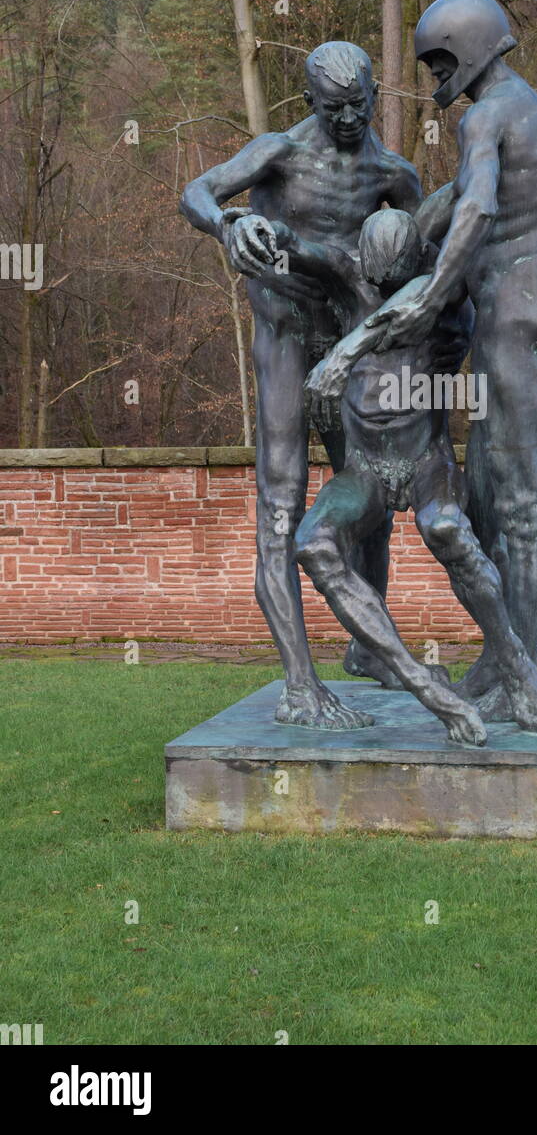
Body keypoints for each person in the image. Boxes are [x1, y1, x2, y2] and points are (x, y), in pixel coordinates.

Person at [179, 42, 422, 728]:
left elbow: (424, 251)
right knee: (281, 502)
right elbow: (195, 191)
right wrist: (230, 222)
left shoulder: (391, 173)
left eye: (362, 104)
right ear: (311, 100)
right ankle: (297, 684)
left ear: (376, 93)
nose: (350, 119)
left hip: (351, 347)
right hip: (285, 337)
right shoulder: (277, 151)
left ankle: (369, 649)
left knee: (371, 494)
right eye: (336, 107)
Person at [371, 0, 537, 715]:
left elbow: (479, 208)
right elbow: (452, 202)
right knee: (491, 499)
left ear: (472, 47)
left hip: (513, 321)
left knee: (518, 507)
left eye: (440, 64)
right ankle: (500, 669)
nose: (436, 84)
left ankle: (518, 681)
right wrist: (385, 236)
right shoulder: (534, 114)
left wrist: (429, 299)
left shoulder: (486, 116)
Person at [284, 206, 537, 743]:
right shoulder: (348, 280)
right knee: (312, 543)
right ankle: (424, 686)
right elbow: (302, 249)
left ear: (418, 261)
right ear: (364, 263)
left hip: (425, 461)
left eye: (400, 273)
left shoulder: (439, 292)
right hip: (365, 467)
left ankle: (516, 665)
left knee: (446, 529)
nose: (385, 285)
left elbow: (472, 221)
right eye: (376, 273)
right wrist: (259, 230)